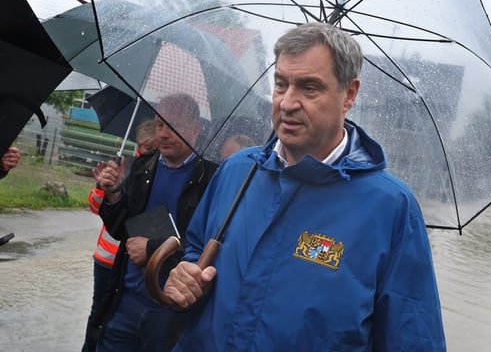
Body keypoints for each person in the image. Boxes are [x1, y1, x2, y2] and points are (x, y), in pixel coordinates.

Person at [164, 23, 447, 351]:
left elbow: (412, 336)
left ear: (349, 94)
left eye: (309, 87)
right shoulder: (237, 170)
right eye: (281, 84)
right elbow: (196, 252)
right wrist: (184, 279)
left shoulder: (390, 207)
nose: (287, 102)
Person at [92, 93, 217, 352]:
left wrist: (152, 249)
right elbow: (119, 229)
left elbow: (209, 248)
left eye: (175, 125)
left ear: (195, 129)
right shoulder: (142, 167)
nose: (164, 133)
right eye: (160, 124)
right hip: (124, 300)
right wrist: (114, 193)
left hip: (168, 312)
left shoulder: (210, 179)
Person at [81, 118, 158, 352]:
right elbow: (95, 207)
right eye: (146, 148)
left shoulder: (153, 172)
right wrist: (103, 188)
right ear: (138, 146)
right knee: (99, 312)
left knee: (114, 314)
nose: (150, 153)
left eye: (154, 149)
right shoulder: (122, 170)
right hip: (107, 257)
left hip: (130, 260)